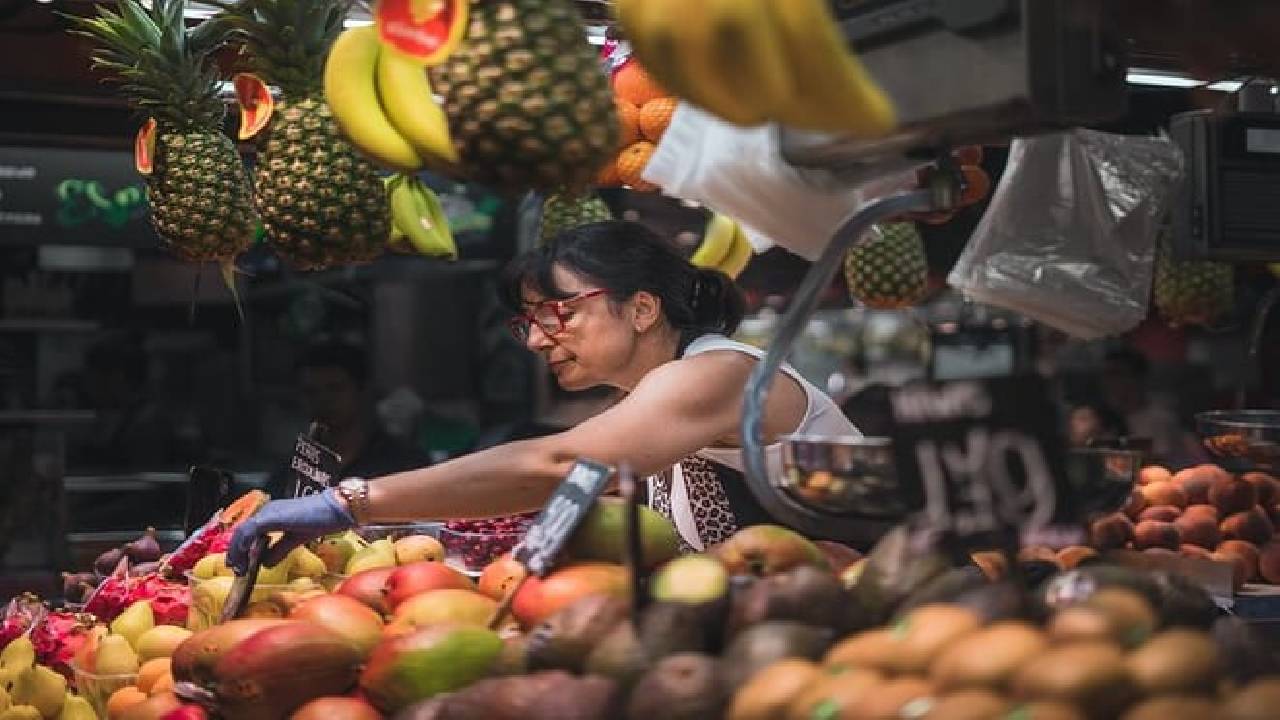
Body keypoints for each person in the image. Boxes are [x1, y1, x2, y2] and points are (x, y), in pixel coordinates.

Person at [230, 221, 860, 570]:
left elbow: (557, 465)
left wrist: (352, 502)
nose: (535, 339)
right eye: (528, 320)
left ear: (641, 307)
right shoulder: (651, 398)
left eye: (557, 313)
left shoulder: (719, 374)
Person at [263, 343, 432, 499]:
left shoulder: (404, 462)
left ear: (362, 391)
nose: (323, 400)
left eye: (335, 389)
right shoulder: (293, 470)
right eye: (311, 392)